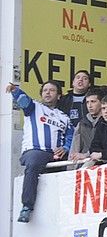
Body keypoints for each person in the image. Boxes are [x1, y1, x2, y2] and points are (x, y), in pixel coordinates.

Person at [7, 80, 72, 222]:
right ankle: (27, 206)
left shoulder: (64, 117)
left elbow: (70, 136)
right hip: (35, 151)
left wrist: (66, 148)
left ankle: (65, 212)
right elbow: (23, 101)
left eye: (52, 90)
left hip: (56, 155)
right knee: (34, 162)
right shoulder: (34, 107)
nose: (47, 92)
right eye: (45, 90)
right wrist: (15, 91)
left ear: (59, 95)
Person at [69, 89, 104, 160]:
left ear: (101, 103)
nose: (90, 105)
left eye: (93, 102)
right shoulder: (81, 124)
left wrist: (86, 155)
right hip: (84, 163)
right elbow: (74, 148)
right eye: (87, 102)